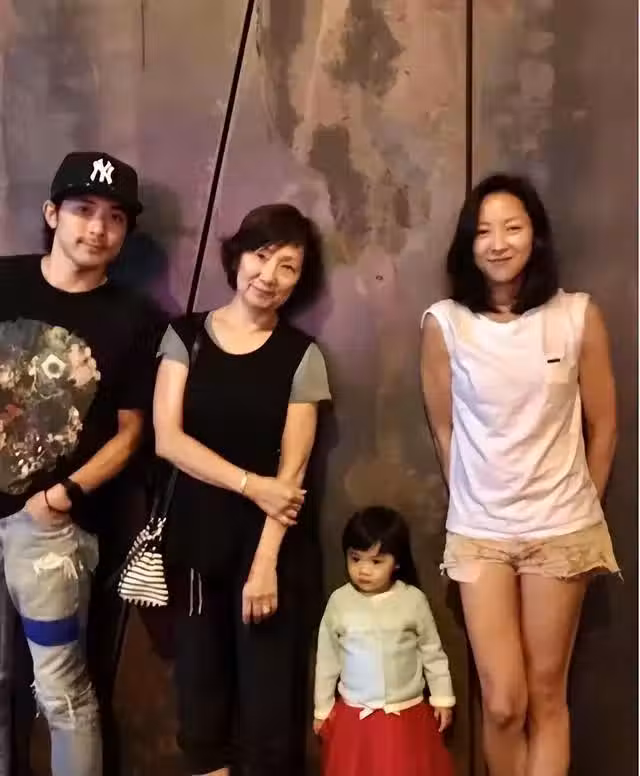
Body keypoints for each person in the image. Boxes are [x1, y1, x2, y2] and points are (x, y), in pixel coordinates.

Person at [420, 173, 619, 776]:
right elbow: (444, 429)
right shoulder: (445, 323)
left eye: (512, 227)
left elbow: (604, 426)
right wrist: (469, 499)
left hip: (562, 528)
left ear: (536, 235)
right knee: (504, 703)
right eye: (483, 231)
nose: (498, 242)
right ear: (468, 243)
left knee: (547, 695)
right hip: (481, 533)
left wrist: (581, 506)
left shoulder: (576, 315)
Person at [153, 202, 331, 776]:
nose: (268, 275)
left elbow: (293, 476)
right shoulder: (185, 337)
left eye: (288, 266)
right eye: (261, 255)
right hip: (196, 551)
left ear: (300, 281)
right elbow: (168, 440)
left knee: (268, 719)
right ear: (237, 256)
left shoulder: (302, 355)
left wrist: (265, 564)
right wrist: (252, 485)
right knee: (200, 711)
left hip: (271, 555)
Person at [0, 151, 162, 776]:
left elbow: (132, 433)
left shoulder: (135, 319)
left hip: (50, 534)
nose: (97, 228)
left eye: (115, 217)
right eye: (83, 209)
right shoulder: (5, 280)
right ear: (52, 214)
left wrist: (61, 497)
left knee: (63, 693)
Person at [313, 506, 455, 776]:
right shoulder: (340, 601)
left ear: (396, 562)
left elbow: (432, 652)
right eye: (355, 559)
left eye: (376, 561)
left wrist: (442, 697)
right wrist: (322, 708)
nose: (363, 570)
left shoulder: (412, 600)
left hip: (406, 715)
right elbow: (328, 659)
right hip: (355, 718)